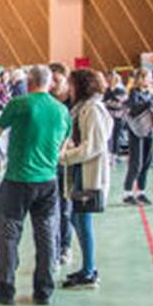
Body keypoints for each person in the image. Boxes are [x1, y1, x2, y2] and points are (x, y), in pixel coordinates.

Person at [0, 65, 71, 306]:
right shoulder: (62, 111)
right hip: (47, 181)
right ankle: (44, 290)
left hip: (17, 180)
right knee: (46, 236)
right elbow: (63, 146)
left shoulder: (19, 104)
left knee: (9, 236)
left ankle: (5, 288)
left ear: (29, 82)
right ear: (50, 83)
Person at [60, 70, 112, 289]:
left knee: (83, 219)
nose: (69, 89)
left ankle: (89, 271)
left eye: (71, 85)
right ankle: (86, 267)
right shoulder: (82, 108)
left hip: (88, 169)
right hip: (80, 168)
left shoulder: (92, 109)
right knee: (77, 218)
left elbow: (94, 145)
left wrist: (65, 156)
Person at [49, 63, 73, 265]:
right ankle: (53, 249)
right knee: (49, 208)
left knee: (65, 207)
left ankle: (65, 246)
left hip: (66, 161)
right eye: (51, 80)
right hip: (47, 161)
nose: (53, 84)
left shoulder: (73, 103)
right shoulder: (46, 100)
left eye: (57, 80)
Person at [122, 69, 153, 205]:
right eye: (148, 77)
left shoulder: (149, 93)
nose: (151, 80)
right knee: (136, 162)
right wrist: (149, 103)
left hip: (150, 130)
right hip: (137, 131)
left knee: (147, 162)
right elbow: (134, 109)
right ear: (141, 79)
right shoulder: (134, 93)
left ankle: (141, 191)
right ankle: (127, 193)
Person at [104, 71, 128, 158]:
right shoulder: (108, 89)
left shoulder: (120, 90)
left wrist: (108, 103)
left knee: (116, 135)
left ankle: (115, 154)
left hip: (118, 116)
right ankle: (110, 153)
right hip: (109, 116)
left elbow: (121, 104)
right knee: (109, 135)